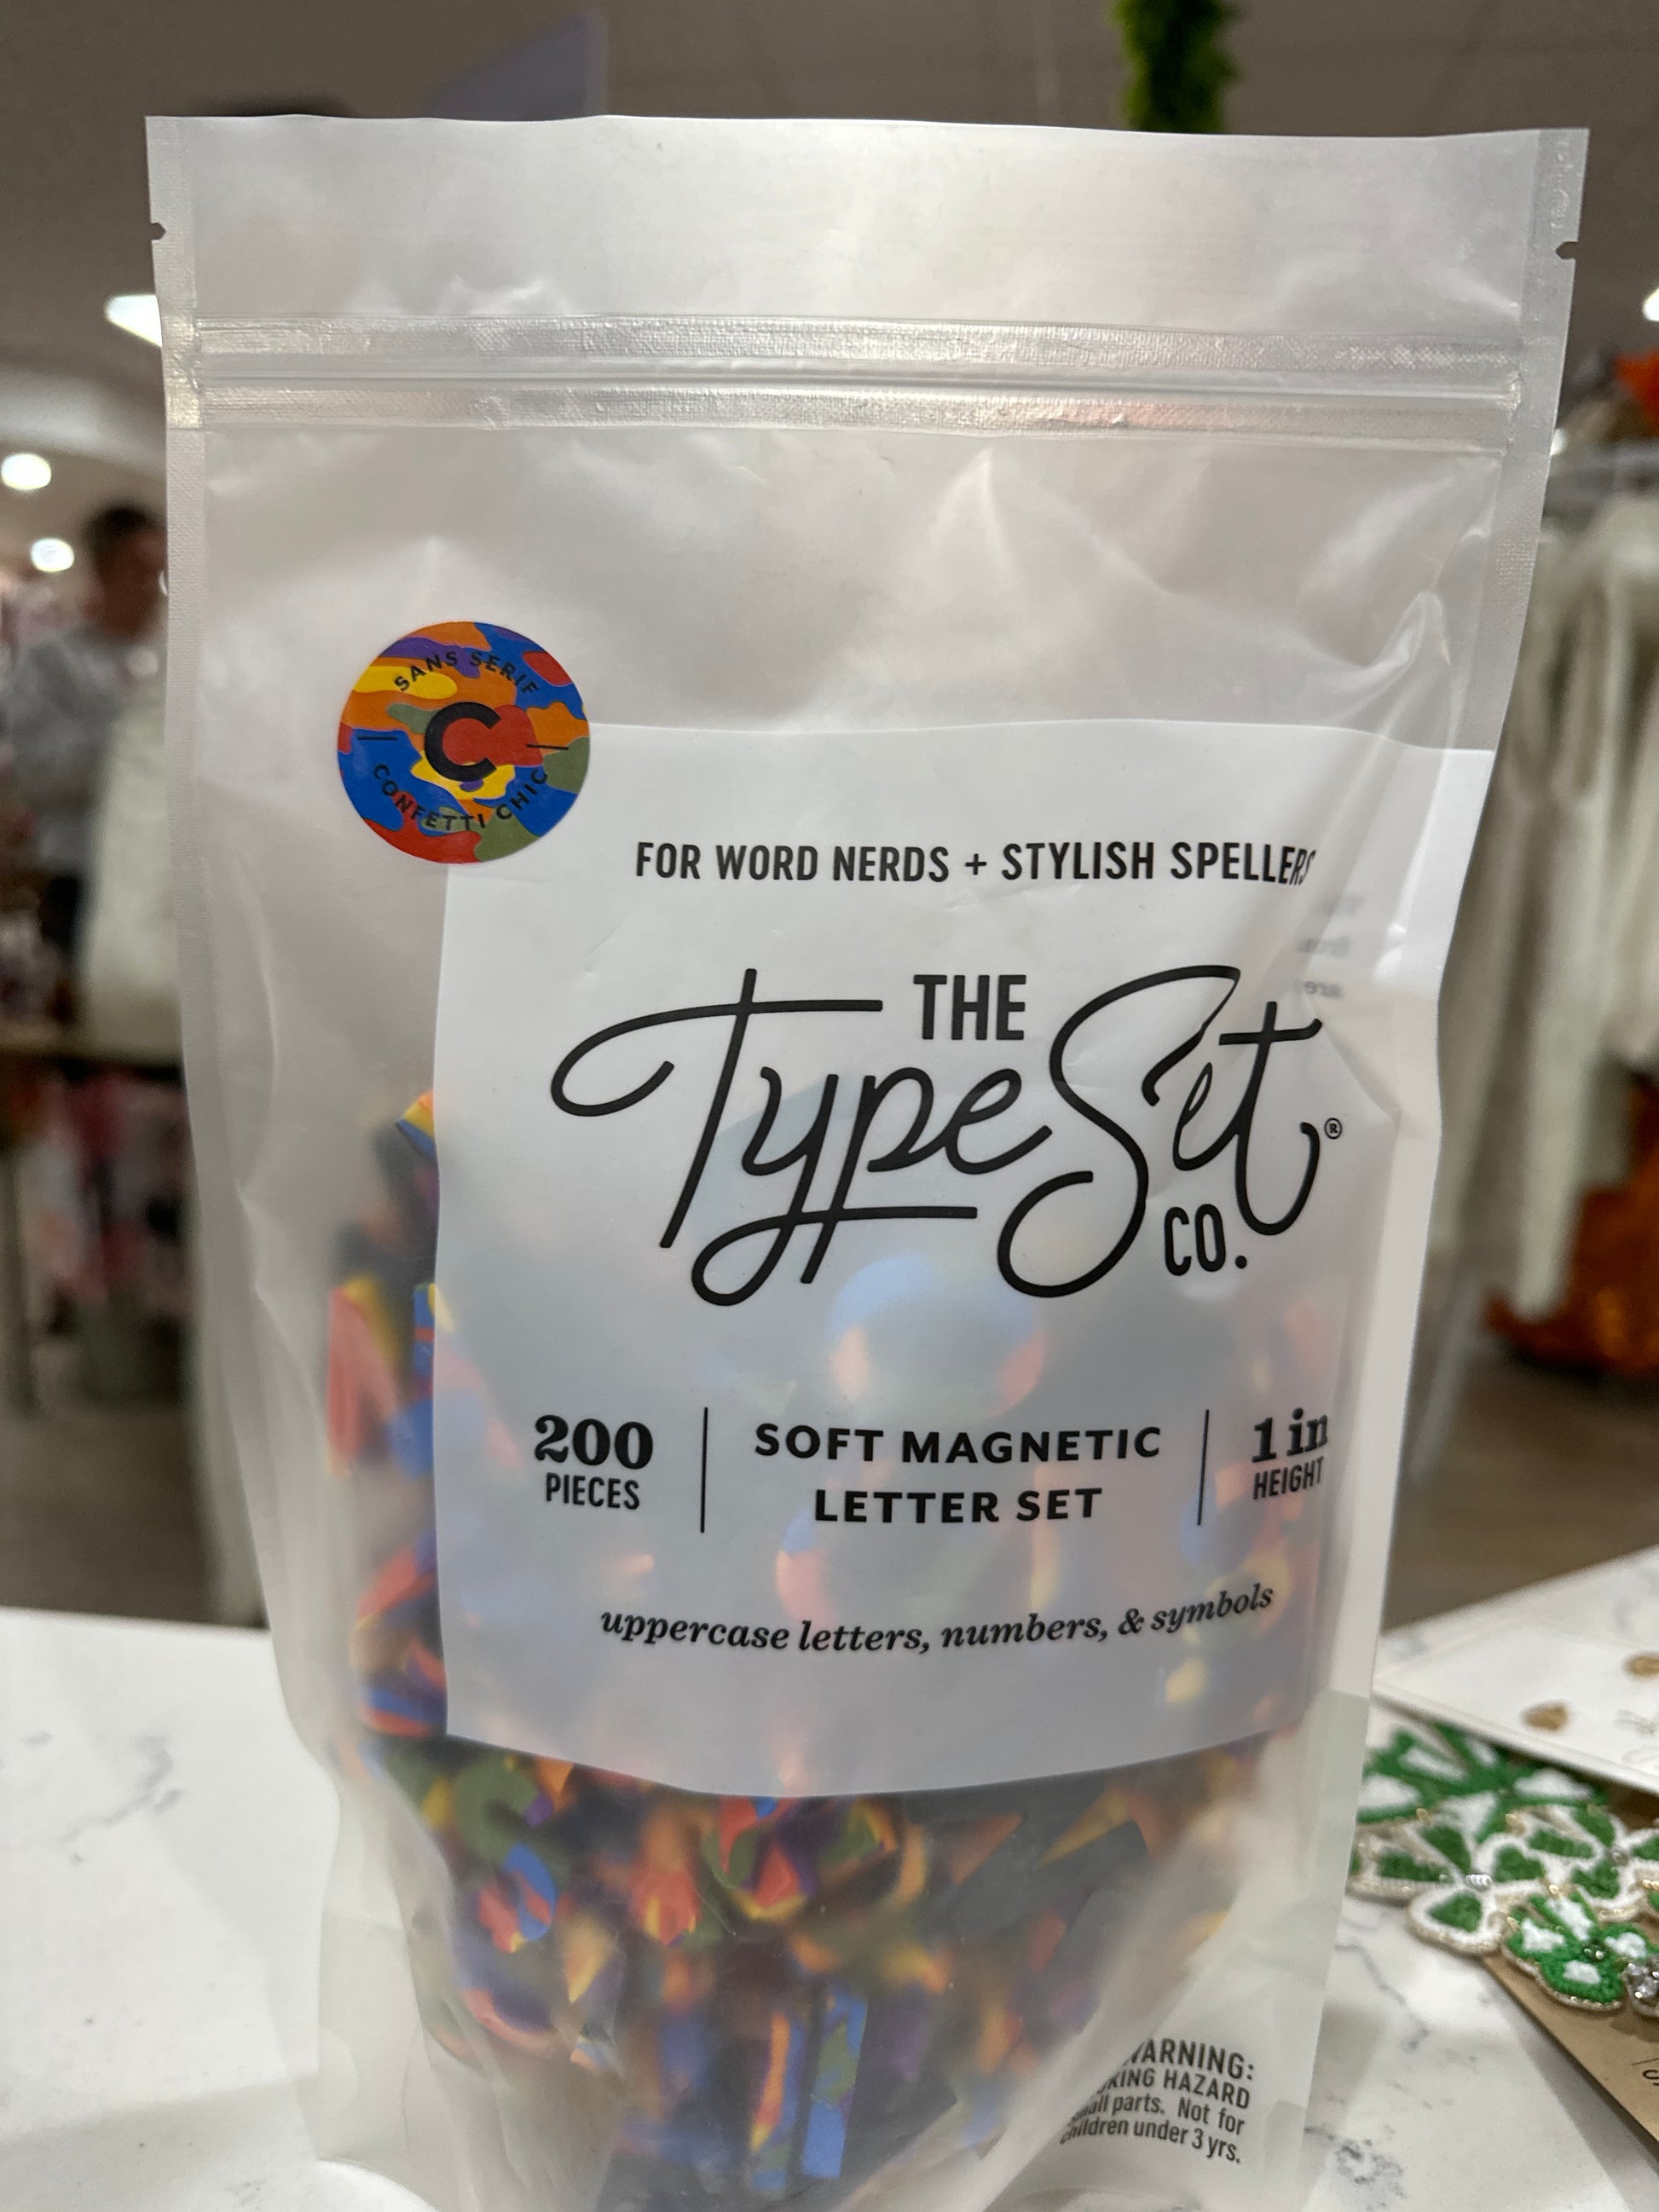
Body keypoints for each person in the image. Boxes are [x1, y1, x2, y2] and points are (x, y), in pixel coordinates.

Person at [0, 503, 165, 956]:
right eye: (140, 569)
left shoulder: (175, 659)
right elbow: (37, 773)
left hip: (163, 874)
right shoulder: (50, 659)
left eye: (161, 569)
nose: (153, 584)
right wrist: (138, 737)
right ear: (103, 569)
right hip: (80, 873)